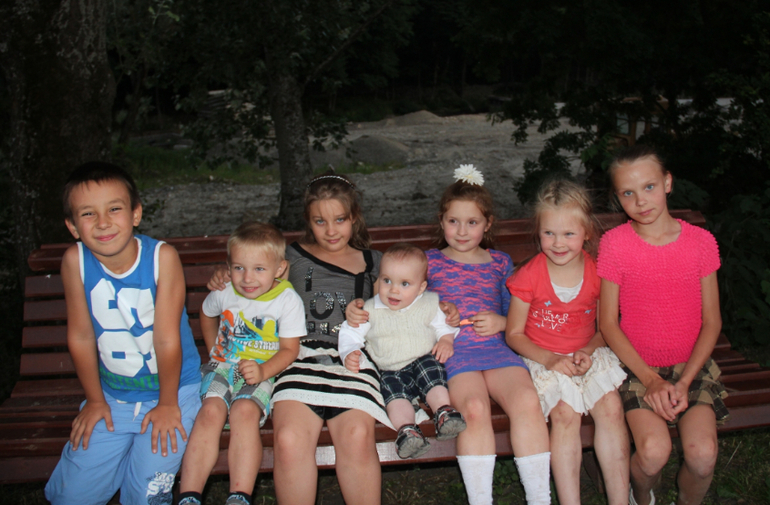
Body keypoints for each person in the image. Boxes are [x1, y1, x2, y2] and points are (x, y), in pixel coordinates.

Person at [349, 165, 551, 505]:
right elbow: (395, 299)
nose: (462, 231)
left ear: (487, 224)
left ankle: (540, 499)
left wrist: (502, 322)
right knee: (473, 408)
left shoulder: (500, 262)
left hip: (497, 350)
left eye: (472, 222)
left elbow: (518, 313)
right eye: (453, 221)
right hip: (452, 353)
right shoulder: (428, 262)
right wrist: (437, 310)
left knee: (527, 401)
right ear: (441, 222)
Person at [207, 173, 389, 504]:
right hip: (297, 357)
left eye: (339, 219)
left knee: (357, 435)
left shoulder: (372, 262)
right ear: (308, 221)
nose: (330, 230)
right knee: (289, 439)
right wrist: (225, 275)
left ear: (354, 218)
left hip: (351, 359)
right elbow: (253, 275)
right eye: (320, 221)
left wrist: (373, 312)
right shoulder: (293, 258)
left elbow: (396, 311)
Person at [45, 162, 202, 505]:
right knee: (72, 495)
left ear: (135, 214)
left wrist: (167, 404)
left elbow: (166, 339)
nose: (103, 222)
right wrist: (95, 400)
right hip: (112, 394)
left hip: (174, 391)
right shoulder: (75, 261)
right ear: (73, 226)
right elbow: (81, 336)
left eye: (114, 209)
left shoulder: (162, 258)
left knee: (146, 492)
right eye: (88, 213)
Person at [598, 145, 728, 505]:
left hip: (692, 367)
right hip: (637, 368)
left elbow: (712, 321)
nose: (640, 200)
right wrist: (651, 379)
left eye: (649, 187)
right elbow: (607, 323)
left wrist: (684, 381)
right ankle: (642, 495)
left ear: (668, 183)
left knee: (703, 456)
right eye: (628, 193)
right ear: (618, 198)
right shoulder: (615, 244)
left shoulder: (701, 242)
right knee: (653, 454)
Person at [505, 179, 629, 505]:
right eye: (549, 233)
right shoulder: (529, 275)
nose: (558, 243)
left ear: (587, 232)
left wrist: (589, 350)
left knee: (612, 408)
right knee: (564, 414)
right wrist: (549, 359)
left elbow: (606, 327)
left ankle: (620, 499)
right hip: (542, 357)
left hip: (587, 352)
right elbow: (514, 334)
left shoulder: (598, 272)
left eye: (569, 234)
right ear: (538, 232)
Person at [177, 222, 304, 505]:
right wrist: (214, 350)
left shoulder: (287, 300)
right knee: (209, 413)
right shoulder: (225, 291)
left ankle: (239, 495)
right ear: (229, 266)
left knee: (244, 413)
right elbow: (206, 313)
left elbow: (289, 350)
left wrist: (263, 370)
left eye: (259, 269)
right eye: (238, 268)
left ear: (279, 268)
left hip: (262, 371)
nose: (247, 278)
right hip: (222, 367)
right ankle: (189, 495)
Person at [338, 243, 466, 459]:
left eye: (404, 283)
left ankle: (443, 411)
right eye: (387, 280)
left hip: (422, 358)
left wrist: (446, 340)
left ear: (421, 287)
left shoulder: (429, 303)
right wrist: (349, 351)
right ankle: (407, 430)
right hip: (390, 369)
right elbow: (350, 333)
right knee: (394, 397)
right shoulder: (370, 309)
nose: (393, 290)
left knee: (433, 377)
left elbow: (444, 325)